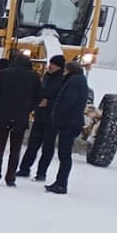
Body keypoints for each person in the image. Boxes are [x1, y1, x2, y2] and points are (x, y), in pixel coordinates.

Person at [0, 53, 41, 186]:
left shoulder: (3, 74)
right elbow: (38, 97)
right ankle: (11, 178)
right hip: (21, 118)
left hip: (3, 116)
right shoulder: (34, 77)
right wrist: (28, 109)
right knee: (15, 150)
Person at [39, 59, 90, 194]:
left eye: (66, 70)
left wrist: (57, 114)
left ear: (70, 70)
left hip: (68, 123)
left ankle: (61, 184)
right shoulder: (80, 80)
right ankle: (60, 182)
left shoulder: (73, 82)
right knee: (64, 155)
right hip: (72, 122)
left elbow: (67, 102)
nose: (64, 72)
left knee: (64, 155)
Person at [16, 55, 67, 179]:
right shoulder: (46, 76)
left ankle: (41, 173)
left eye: (53, 64)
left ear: (59, 66)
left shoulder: (64, 80)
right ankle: (24, 169)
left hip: (52, 119)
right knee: (32, 144)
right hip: (40, 115)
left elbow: (64, 100)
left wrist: (48, 103)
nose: (50, 66)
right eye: (50, 63)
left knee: (48, 148)